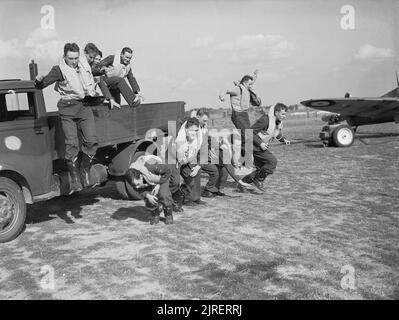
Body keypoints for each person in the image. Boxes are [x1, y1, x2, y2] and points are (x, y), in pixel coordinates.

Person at [34, 42, 99, 192]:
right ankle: (75, 177)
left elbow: (93, 65)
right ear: (65, 57)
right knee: (72, 143)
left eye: (76, 58)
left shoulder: (82, 63)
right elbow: (42, 84)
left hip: (84, 106)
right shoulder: (59, 70)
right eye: (71, 58)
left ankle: (85, 170)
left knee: (92, 141)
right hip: (67, 108)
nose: (74, 61)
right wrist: (38, 80)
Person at [241, 103, 291, 192]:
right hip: (253, 146)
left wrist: (283, 140)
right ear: (276, 113)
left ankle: (243, 183)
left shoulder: (276, 122)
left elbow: (275, 133)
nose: (285, 116)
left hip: (258, 147)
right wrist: (260, 143)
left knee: (261, 168)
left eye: (285, 114)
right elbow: (249, 132)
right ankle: (258, 180)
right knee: (272, 161)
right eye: (283, 114)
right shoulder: (265, 120)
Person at [219, 70, 258, 163]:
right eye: (249, 84)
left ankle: (228, 142)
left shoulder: (246, 87)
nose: (250, 86)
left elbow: (252, 81)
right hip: (238, 114)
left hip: (244, 114)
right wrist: (222, 96)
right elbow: (225, 90)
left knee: (247, 135)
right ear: (244, 83)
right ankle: (242, 156)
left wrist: (255, 75)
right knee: (247, 135)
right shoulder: (237, 89)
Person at [125, 155, 177, 225]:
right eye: (135, 185)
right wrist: (147, 195)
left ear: (140, 177)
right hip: (148, 180)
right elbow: (137, 188)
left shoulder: (151, 166)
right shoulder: (132, 178)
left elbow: (168, 171)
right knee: (150, 197)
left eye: (137, 184)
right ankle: (155, 214)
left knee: (164, 194)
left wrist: (158, 184)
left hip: (161, 176)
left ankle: (168, 214)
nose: (136, 187)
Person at [175, 117, 206, 206]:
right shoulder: (178, 134)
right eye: (192, 130)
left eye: (196, 130)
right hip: (176, 159)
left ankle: (194, 198)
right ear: (186, 129)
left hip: (190, 158)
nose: (194, 133)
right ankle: (177, 198)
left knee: (194, 173)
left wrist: (198, 166)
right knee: (175, 181)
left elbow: (204, 152)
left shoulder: (200, 136)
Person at [83, 43, 120, 109]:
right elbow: (94, 71)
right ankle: (109, 99)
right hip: (84, 94)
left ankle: (112, 100)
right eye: (96, 59)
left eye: (99, 60)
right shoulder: (88, 66)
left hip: (91, 92)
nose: (97, 61)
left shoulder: (99, 66)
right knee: (99, 79)